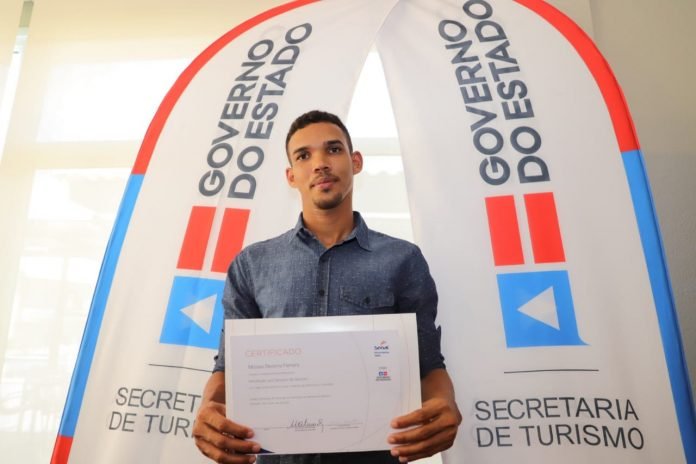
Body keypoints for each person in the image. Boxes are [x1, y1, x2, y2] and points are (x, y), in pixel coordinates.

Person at [192, 110, 461, 464]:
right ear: (291, 176)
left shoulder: (403, 259)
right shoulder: (251, 264)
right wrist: (208, 409)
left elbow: (428, 365)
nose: (319, 163)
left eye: (333, 150)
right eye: (304, 155)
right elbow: (228, 369)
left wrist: (445, 404)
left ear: (356, 162)